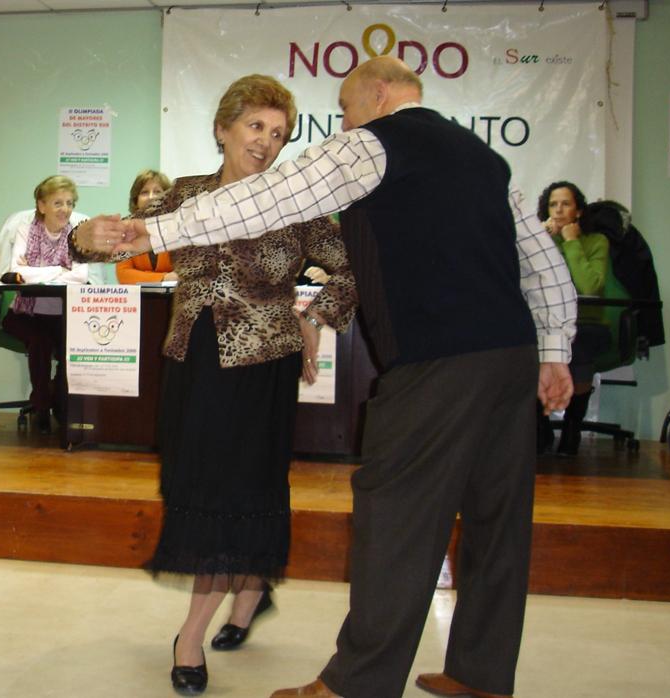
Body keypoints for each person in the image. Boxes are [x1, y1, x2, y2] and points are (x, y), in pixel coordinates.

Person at [74, 56, 577, 698]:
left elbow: (266, 201)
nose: (340, 123)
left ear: (375, 93)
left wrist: (154, 229)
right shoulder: (483, 158)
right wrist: (554, 349)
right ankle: (479, 676)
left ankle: (356, 686)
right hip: (507, 355)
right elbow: (540, 263)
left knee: (394, 517)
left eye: (343, 109)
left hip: (434, 363)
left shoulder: (372, 143)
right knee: (497, 522)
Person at [78, 75, 356, 696]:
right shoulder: (186, 195)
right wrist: (79, 237)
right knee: (193, 484)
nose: (266, 142)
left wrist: (312, 318)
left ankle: (190, 634)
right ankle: (250, 588)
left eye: (279, 133)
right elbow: (117, 238)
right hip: (192, 357)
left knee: (241, 486)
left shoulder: (300, 201)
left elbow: (348, 275)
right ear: (223, 128)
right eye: (256, 126)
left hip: (263, 366)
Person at [536, 181, 626, 455]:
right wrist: (540, 240)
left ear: (578, 211)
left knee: (580, 343)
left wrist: (572, 242)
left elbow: (589, 286)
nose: (559, 209)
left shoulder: (595, 241)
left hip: (586, 323)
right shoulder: (540, 239)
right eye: (553, 204)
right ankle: (539, 429)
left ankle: (572, 429)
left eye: (566, 204)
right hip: (542, 322)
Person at [0, 175, 91, 434]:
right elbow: (17, 271)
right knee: (39, 342)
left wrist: (37, 271)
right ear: (42, 205)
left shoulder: (79, 231)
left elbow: (80, 277)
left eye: (70, 203)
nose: (66, 209)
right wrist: (59, 270)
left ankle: (60, 403)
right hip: (25, 313)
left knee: (69, 348)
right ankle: (41, 405)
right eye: (58, 203)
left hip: (63, 314)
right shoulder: (26, 230)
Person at [115, 170, 176, 284]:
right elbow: (124, 275)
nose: (151, 197)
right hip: (137, 299)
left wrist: (142, 277)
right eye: (144, 192)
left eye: (158, 192)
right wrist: (165, 278)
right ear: (136, 200)